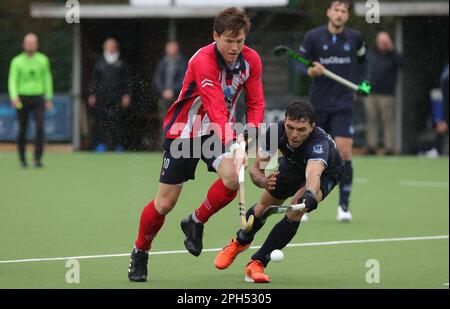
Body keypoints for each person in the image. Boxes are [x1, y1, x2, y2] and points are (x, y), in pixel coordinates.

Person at [128, 7, 265, 282]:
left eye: (240, 41)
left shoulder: (251, 60)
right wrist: (234, 143)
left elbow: (256, 103)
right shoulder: (203, 60)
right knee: (165, 203)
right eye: (229, 41)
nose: (235, 47)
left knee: (231, 178)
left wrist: (251, 139)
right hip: (184, 133)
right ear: (215, 36)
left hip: (217, 134)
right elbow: (214, 106)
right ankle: (140, 251)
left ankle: (195, 221)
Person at [214, 101, 344, 283]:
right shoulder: (276, 132)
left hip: (326, 173)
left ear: (312, 127)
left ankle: (258, 262)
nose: (294, 134)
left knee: (296, 210)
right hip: (292, 166)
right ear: (285, 121)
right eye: (290, 127)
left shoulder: (319, 142)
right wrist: (262, 181)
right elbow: (256, 169)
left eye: (301, 130)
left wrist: (310, 195)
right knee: (261, 210)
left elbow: (313, 173)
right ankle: (240, 241)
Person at [297, 0, 369, 222]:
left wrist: (365, 82)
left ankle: (343, 207)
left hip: (344, 104)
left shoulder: (355, 38)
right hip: (318, 105)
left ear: (347, 16)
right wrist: (311, 70)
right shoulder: (313, 37)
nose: (339, 14)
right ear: (329, 12)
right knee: (311, 154)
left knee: (345, 153)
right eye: (336, 10)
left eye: (343, 11)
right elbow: (299, 64)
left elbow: (364, 63)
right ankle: (302, 201)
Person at [8, 33, 53, 168]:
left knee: (40, 128)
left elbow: (47, 78)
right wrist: (14, 96)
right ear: (23, 44)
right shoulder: (16, 61)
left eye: (32, 43)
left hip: (38, 97)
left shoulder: (43, 60)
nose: (30, 45)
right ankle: (22, 160)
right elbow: (12, 79)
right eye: (28, 43)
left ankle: (37, 159)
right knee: (22, 129)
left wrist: (49, 97)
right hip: (22, 97)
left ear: (37, 44)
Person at [88, 38, 132, 153]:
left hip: (118, 97)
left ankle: (119, 145)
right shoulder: (100, 62)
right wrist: (92, 94)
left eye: (112, 46)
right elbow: (94, 80)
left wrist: (126, 95)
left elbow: (127, 80)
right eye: (108, 46)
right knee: (102, 121)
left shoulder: (122, 62)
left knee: (118, 121)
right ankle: (101, 144)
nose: (110, 48)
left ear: (116, 47)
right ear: (104, 47)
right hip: (102, 97)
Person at [364, 32, 403, 155]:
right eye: (381, 41)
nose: (383, 43)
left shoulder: (393, 55)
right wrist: (363, 89)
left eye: (386, 41)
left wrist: (392, 50)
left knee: (388, 120)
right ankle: (372, 147)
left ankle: (389, 148)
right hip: (369, 92)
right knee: (371, 119)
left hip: (387, 93)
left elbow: (403, 64)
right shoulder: (370, 54)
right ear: (377, 41)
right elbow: (363, 71)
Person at [153, 40, 188, 143]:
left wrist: (173, 90)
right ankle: (164, 144)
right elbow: (157, 79)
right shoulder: (162, 63)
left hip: (178, 97)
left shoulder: (183, 63)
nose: (172, 50)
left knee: (178, 120)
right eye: (170, 48)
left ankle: (178, 144)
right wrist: (163, 91)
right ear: (166, 49)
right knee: (164, 120)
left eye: (174, 48)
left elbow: (185, 79)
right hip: (164, 97)